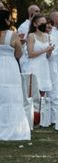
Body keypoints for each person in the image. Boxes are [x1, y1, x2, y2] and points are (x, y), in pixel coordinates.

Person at [0, 9, 30, 141]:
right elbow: (18, 54)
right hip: (9, 68)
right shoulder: (12, 34)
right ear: (6, 20)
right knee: (11, 97)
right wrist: (21, 44)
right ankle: (12, 129)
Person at [27, 14, 55, 126]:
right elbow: (30, 54)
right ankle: (32, 117)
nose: (44, 25)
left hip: (44, 66)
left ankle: (41, 119)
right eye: (42, 22)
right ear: (35, 24)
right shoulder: (31, 36)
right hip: (34, 65)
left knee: (42, 92)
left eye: (45, 22)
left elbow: (47, 56)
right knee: (34, 92)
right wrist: (45, 50)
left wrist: (50, 51)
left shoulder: (47, 36)